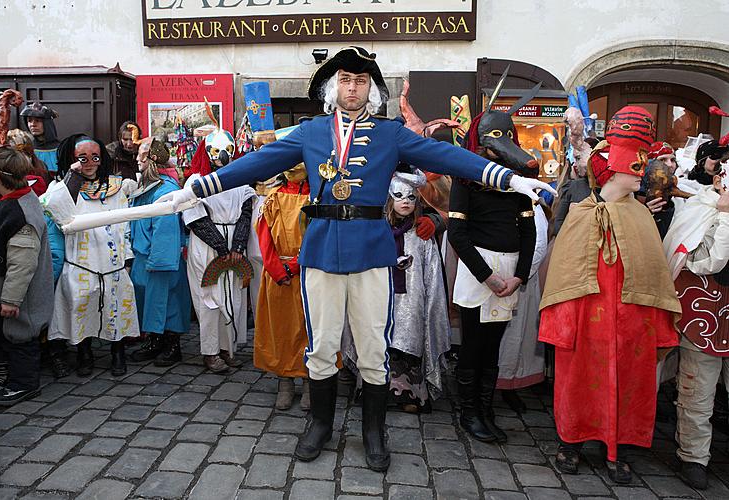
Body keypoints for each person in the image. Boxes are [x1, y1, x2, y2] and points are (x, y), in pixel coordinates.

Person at [158, 46, 554, 472]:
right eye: (346, 80)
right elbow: (258, 161)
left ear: (372, 89)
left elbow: (448, 157)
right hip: (322, 250)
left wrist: (509, 178)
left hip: (372, 250)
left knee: (372, 349)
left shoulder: (390, 134)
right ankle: (320, 425)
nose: (353, 87)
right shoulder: (310, 132)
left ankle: (372, 431)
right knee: (323, 345)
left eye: (361, 81)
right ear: (333, 87)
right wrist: (197, 188)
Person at [539, 106, 681, 483]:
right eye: (636, 168)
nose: (643, 176)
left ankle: (616, 447)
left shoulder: (640, 217)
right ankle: (571, 441)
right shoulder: (584, 213)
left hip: (631, 321)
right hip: (586, 320)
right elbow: (565, 272)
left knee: (628, 382)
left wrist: (653, 322)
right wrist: (562, 320)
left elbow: (652, 273)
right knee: (579, 379)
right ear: (617, 169)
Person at [448, 106, 539, 444]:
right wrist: (487, 276)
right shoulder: (465, 179)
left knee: (494, 345)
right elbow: (457, 233)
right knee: (473, 345)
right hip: (478, 270)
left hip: (510, 269)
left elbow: (528, 231)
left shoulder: (518, 181)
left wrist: (520, 274)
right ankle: (469, 413)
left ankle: (484, 409)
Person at [41, 134, 140, 377]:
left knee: (115, 310)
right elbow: (53, 207)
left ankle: (118, 353)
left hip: (112, 263)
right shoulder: (62, 189)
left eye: (94, 157)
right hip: (80, 263)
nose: (89, 163)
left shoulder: (116, 188)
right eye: (82, 158)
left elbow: (124, 224)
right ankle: (85, 354)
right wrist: (73, 175)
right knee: (81, 309)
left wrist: (127, 258)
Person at [662, 136, 729, 490]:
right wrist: (725, 214)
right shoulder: (697, 208)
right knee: (697, 390)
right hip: (701, 315)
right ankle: (693, 456)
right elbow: (706, 262)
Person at [0, 146, 53, 405]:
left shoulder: (21, 211)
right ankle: (4, 376)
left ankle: (24, 383)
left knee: (20, 336)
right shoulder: (3, 200)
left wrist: (11, 299)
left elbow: (22, 262)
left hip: (16, 294)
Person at [183, 122, 254, 373]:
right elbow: (195, 218)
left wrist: (237, 246)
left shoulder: (240, 180)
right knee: (209, 299)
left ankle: (228, 349)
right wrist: (222, 248)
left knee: (233, 297)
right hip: (207, 247)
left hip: (232, 245)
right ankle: (210, 351)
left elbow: (247, 211)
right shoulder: (196, 181)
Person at [384, 169, 452, 413]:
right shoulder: (380, 230)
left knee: (410, 341)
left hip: (413, 300)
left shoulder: (422, 234)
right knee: (383, 341)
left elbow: (432, 273)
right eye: (399, 196)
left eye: (411, 197)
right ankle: (380, 393)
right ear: (390, 197)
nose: (405, 201)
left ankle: (411, 394)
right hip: (385, 298)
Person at [129, 136, 192, 366]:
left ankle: (172, 345)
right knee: (149, 300)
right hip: (144, 257)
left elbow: (165, 230)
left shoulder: (166, 190)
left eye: (141, 155)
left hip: (161, 259)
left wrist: (160, 260)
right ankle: (155, 341)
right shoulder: (146, 187)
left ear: (152, 160)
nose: (137, 159)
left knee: (170, 301)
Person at [254, 163, 312, 410]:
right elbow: (264, 238)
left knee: (309, 328)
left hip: (309, 271)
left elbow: (317, 236)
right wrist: (278, 270)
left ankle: (310, 380)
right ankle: (285, 381)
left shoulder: (316, 198)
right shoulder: (272, 199)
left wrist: (296, 266)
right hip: (278, 275)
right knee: (281, 328)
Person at [496, 203, 549, 412]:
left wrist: (519, 275)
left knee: (517, 335)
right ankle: (486, 382)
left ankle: (510, 382)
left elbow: (539, 246)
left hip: (521, 280)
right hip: (493, 276)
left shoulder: (533, 208)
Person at [20, 101, 60, 176]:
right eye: (29, 121)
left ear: (47, 123)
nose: (32, 124)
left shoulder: (60, 150)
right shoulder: (25, 149)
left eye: (37, 121)